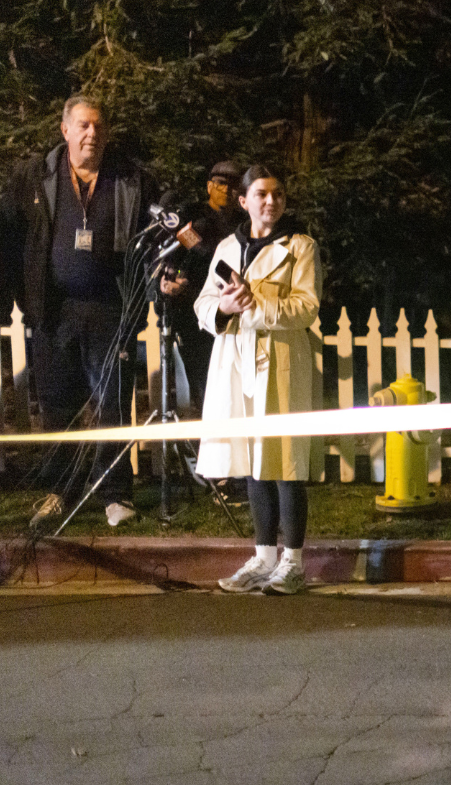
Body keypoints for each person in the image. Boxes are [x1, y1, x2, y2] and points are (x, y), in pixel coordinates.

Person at [0, 95, 159, 528]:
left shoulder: (130, 179)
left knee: (112, 403)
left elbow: (156, 235)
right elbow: (8, 235)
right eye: (84, 126)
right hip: (53, 311)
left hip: (111, 308)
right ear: (65, 129)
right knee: (56, 404)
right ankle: (58, 492)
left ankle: (115, 494)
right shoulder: (34, 177)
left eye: (99, 127)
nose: (93, 134)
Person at [196, 165, 322, 595]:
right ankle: (264, 554)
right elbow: (204, 303)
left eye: (279, 195)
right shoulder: (228, 247)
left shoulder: (300, 247)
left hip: (281, 358)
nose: (271, 202)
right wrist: (225, 309)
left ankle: (294, 560)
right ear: (244, 200)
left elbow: (306, 307)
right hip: (236, 358)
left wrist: (255, 303)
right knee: (253, 460)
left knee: (286, 459)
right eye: (262, 194)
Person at [159, 160, 243, 410]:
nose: (226, 190)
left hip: (235, 313)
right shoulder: (193, 216)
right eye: (220, 184)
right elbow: (175, 254)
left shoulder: (245, 224)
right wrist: (174, 280)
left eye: (233, 185)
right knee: (204, 387)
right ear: (209, 186)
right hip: (196, 313)